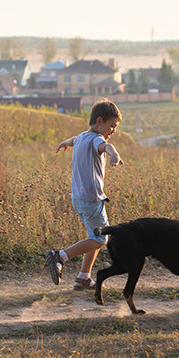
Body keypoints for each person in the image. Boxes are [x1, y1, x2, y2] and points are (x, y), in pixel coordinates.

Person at [45, 99, 124, 290]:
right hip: (91, 199)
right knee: (100, 239)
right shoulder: (98, 139)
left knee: (93, 236)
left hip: (78, 199)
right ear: (99, 121)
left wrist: (64, 143)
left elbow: (71, 140)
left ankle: (83, 277)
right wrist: (114, 155)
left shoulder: (80, 137)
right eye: (112, 126)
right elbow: (106, 146)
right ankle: (60, 256)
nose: (113, 131)